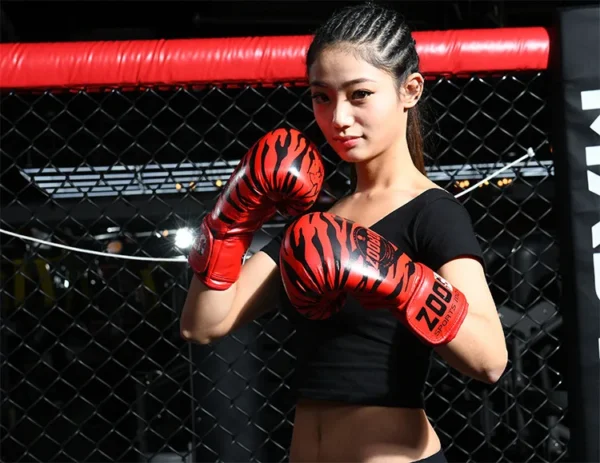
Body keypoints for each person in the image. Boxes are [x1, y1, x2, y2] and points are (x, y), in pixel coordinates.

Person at [180, 3, 508, 462]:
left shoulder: (432, 212)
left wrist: (402, 281)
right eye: (321, 96)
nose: (338, 117)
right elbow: (203, 323)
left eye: (359, 95)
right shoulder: (318, 225)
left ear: (409, 90)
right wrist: (232, 214)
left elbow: (490, 360)